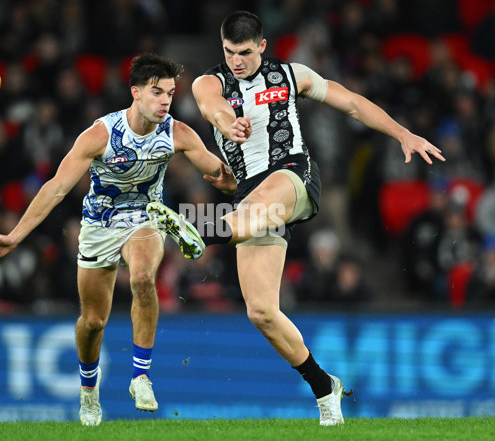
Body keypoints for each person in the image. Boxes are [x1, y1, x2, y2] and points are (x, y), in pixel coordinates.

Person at [146, 10, 446, 426]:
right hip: (250, 197)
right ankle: (325, 387)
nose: (237, 60)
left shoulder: (292, 75)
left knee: (258, 204)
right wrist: (229, 124)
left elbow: (353, 103)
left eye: (245, 53)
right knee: (262, 312)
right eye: (230, 52)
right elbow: (212, 108)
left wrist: (402, 133)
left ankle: (198, 229)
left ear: (262, 47)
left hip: (294, 176)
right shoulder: (208, 81)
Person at [0, 53, 236, 426]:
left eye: (170, 94)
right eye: (157, 93)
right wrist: (15, 237)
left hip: (147, 216)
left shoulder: (178, 133)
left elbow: (220, 173)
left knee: (144, 278)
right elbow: (56, 188)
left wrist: (234, 177)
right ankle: (89, 392)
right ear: (136, 92)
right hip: (99, 225)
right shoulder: (101, 135)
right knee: (93, 322)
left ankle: (140, 375)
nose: (165, 101)